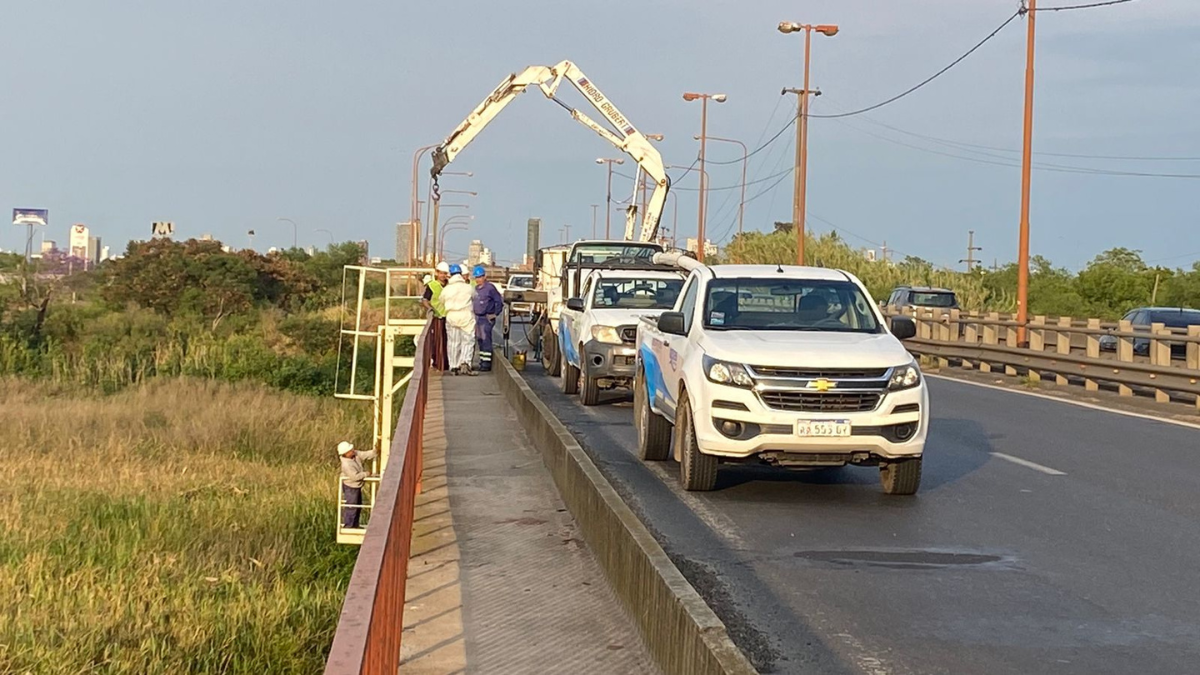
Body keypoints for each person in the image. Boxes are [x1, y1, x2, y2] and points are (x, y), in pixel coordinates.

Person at [440, 264, 477, 374]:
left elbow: (442, 300)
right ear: (461, 274)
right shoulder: (468, 287)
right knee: (468, 340)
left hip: (452, 315)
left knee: (453, 341)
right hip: (466, 315)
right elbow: (474, 297)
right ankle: (465, 362)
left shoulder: (447, 289)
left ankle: (454, 365)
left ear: (450, 274)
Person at [471, 265, 504, 372]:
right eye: (476, 277)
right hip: (477, 317)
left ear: (484, 276)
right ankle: (482, 361)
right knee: (480, 340)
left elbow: (499, 301)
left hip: (486, 317)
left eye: (480, 277)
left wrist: (495, 314)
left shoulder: (490, 288)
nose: (478, 279)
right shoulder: (475, 289)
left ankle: (487, 363)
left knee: (485, 339)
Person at [337, 441, 377, 529]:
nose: (353, 450)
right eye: (350, 450)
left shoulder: (354, 454)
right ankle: (349, 526)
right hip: (350, 487)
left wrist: (374, 452)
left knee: (358, 506)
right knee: (352, 506)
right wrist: (366, 474)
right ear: (346, 454)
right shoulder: (346, 465)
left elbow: (364, 454)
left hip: (356, 486)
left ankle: (355, 525)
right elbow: (355, 477)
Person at [421, 263, 451, 370]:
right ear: (437, 273)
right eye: (441, 273)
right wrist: (430, 309)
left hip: (450, 317)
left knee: (449, 341)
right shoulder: (432, 285)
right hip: (437, 317)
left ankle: (448, 364)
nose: (443, 276)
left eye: (445, 273)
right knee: (438, 341)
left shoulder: (450, 285)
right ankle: (439, 364)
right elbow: (425, 300)